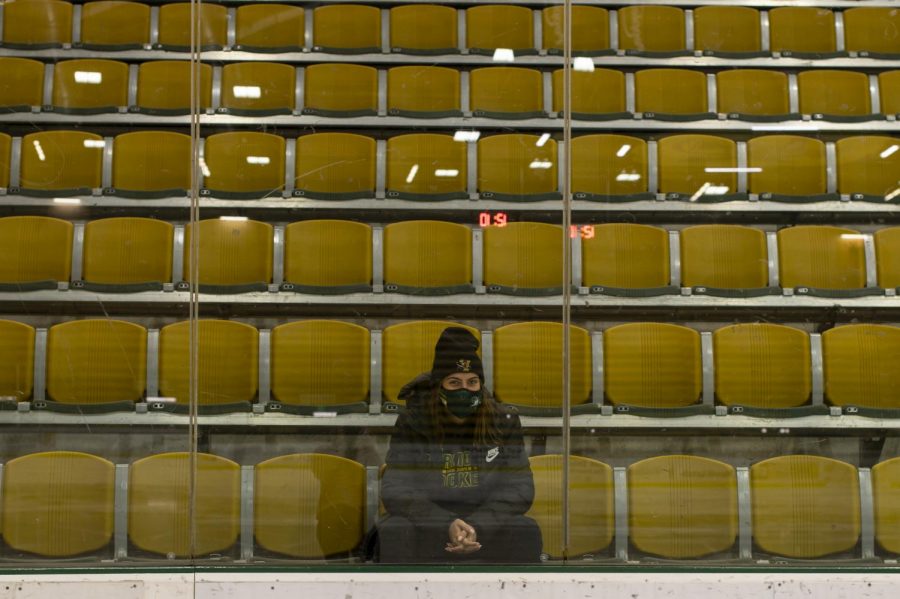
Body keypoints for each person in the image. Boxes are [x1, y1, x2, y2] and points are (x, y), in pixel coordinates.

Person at [377, 327, 542, 563]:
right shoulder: (413, 420)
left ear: (481, 386)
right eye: (454, 382)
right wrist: (446, 524)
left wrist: (477, 525)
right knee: (394, 530)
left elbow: (520, 488)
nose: (464, 390)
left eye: (472, 382)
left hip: (485, 528)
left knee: (525, 530)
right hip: (429, 527)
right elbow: (395, 488)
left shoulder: (502, 421)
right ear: (439, 387)